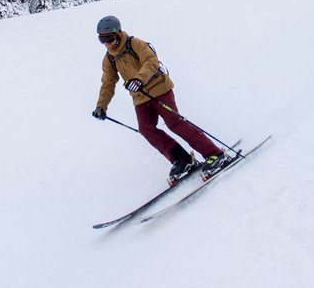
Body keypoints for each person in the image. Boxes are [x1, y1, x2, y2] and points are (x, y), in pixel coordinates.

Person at [91, 15, 228, 184]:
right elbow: (108, 82)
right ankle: (182, 159)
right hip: (140, 97)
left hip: (159, 88)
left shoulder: (135, 44)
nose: (106, 43)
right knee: (146, 129)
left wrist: (139, 79)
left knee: (174, 123)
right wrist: (101, 106)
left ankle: (215, 154)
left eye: (109, 38)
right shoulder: (109, 59)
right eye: (101, 39)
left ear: (118, 34)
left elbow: (151, 61)